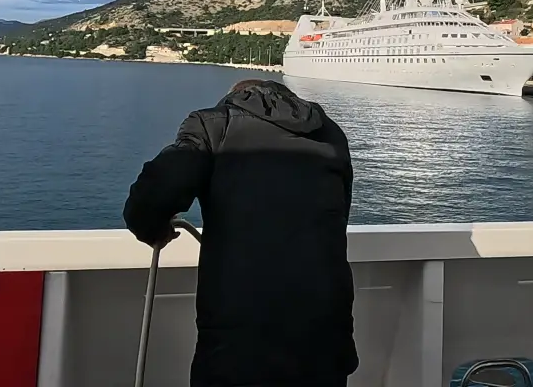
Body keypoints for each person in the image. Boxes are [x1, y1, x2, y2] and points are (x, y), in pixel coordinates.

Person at [123, 78, 357, 387]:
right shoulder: (331, 135)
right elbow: (339, 214)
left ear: (235, 97)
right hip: (327, 338)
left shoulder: (213, 124)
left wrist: (153, 229)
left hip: (241, 343)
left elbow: (156, 193)